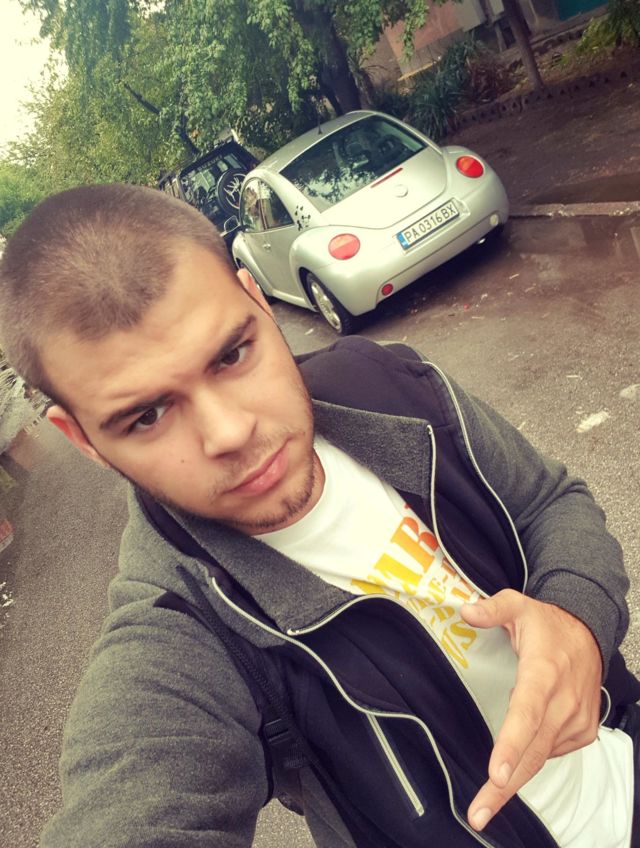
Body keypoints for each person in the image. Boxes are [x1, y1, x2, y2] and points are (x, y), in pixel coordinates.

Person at [0, 183, 638, 848]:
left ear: (258, 300)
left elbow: (547, 501)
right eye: (148, 415)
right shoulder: (176, 632)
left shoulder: (391, 387)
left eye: (232, 354)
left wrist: (575, 618)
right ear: (83, 440)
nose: (229, 432)